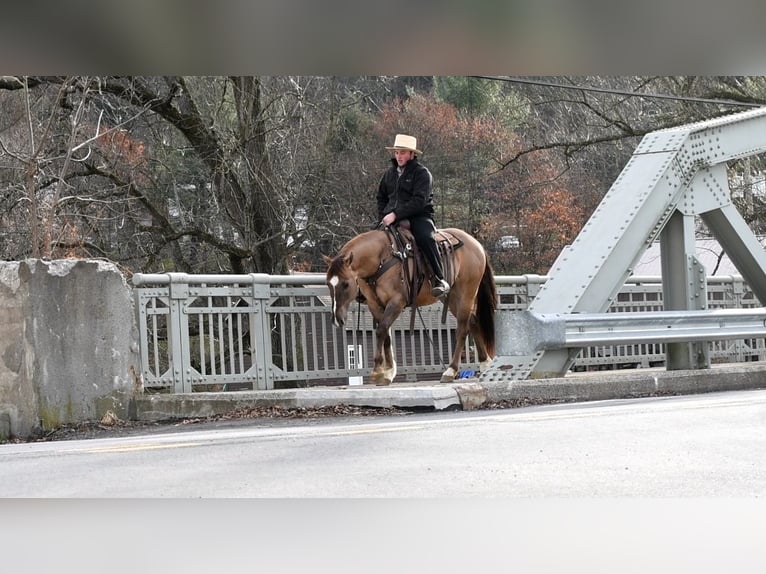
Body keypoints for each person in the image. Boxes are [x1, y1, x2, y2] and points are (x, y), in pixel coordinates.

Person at [376, 133, 450, 298]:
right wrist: (384, 215)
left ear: (411, 154)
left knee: (426, 238)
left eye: (403, 152)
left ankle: (439, 279)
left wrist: (395, 214)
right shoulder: (389, 174)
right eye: (397, 152)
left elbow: (419, 201)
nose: (399, 156)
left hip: (419, 216)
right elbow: (381, 197)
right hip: (390, 218)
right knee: (371, 241)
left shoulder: (422, 173)